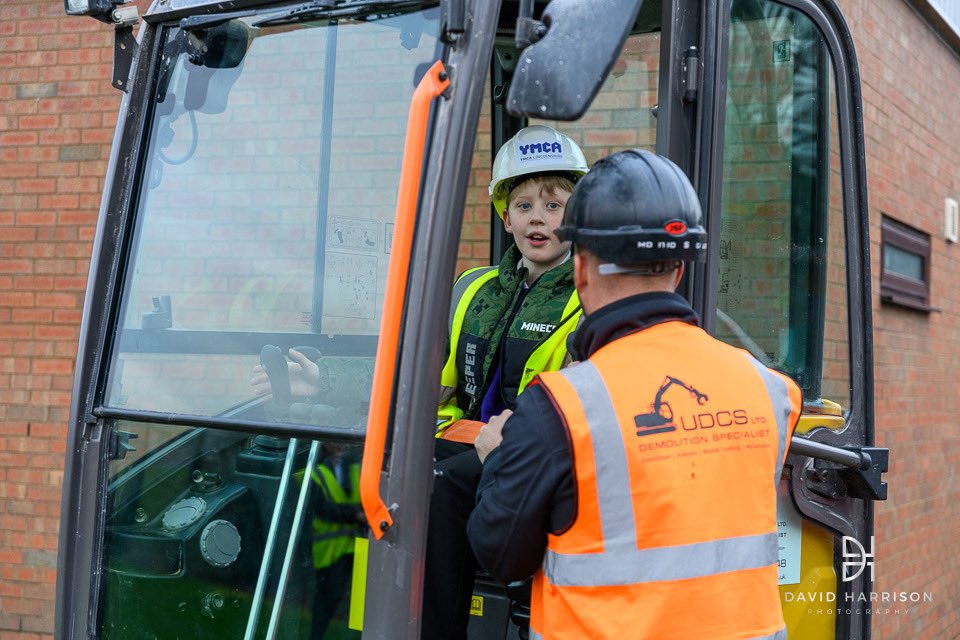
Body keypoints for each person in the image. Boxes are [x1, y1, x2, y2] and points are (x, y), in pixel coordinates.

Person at [466, 149, 803, 640]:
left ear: (581, 270)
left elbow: (500, 554)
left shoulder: (562, 405)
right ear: (679, 271)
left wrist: (497, 457)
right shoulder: (772, 391)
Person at [420, 125, 588, 640]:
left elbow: (578, 405)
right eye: (524, 205)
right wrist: (327, 382)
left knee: (441, 485)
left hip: (531, 454)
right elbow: (422, 379)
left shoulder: (588, 299)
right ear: (505, 216)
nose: (538, 217)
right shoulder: (472, 288)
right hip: (460, 442)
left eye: (554, 205)